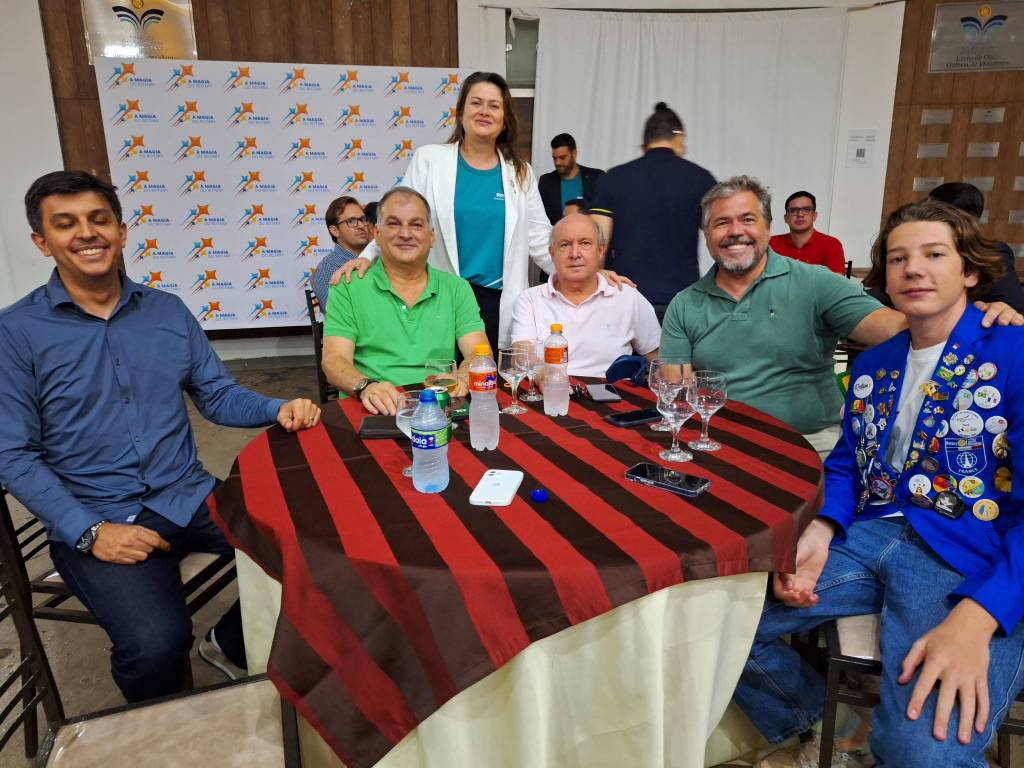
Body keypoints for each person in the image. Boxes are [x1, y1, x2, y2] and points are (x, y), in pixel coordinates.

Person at [0, 170, 320, 703]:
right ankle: (151, 726)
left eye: (99, 219)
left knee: (319, 556)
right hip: (98, 513)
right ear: (42, 242)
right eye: (66, 223)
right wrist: (90, 531)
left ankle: (229, 644)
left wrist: (277, 407)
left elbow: (217, 395)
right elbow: (13, 454)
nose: (87, 233)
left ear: (122, 231)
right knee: (155, 646)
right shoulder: (15, 333)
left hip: (189, 494)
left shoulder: (167, 311)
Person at [734, 199, 1024, 768]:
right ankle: (830, 725)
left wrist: (981, 613)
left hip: (970, 556)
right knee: (715, 628)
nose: (913, 268)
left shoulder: (1012, 352)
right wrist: (822, 527)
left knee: (919, 753)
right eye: (897, 258)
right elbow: (849, 461)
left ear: (969, 271)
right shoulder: (875, 363)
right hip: (869, 533)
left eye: (934, 254)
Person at [660, 176, 1023, 456]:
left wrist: (975, 317)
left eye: (747, 219)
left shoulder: (815, 283)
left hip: (808, 443)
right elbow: (677, 393)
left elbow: (899, 328)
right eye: (722, 223)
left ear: (768, 228)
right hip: (717, 440)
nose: (735, 231)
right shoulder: (685, 304)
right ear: (707, 234)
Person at [331, 71, 630, 354]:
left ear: (504, 118)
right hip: (439, 297)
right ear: (461, 112)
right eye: (476, 103)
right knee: (440, 379)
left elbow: (541, 239)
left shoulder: (520, 172)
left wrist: (589, 274)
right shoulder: (429, 160)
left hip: (497, 303)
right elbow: (398, 220)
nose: (484, 111)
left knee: (491, 384)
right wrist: (366, 257)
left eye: (494, 106)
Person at [321, 187, 489, 416]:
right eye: (393, 224)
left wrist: (462, 377)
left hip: (439, 407)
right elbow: (334, 360)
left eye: (416, 225)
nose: (405, 233)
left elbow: (480, 353)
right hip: (371, 409)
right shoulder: (348, 287)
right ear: (377, 234)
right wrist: (366, 386)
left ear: (431, 237)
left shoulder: (457, 288)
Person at [590, 102, 716, 320]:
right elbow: (722, 234)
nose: (685, 149)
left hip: (624, 296)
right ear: (679, 136)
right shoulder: (701, 179)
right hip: (684, 298)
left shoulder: (613, 178)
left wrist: (597, 276)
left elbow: (594, 239)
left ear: (645, 143)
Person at [510, 213, 659, 377]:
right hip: (549, 388)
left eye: (585, 243)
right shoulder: (530, 300)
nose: (575, 254)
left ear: (601, 250)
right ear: (552, 253)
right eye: (565, 245)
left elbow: (659, 358)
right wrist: (551, 381)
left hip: (612, 392)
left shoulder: (626, 296)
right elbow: (522, 355)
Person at [309, 195, 368, 311]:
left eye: (362, 219)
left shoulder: (378, 259)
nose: (361, 226)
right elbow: (337, 315)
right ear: (335, 231)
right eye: (351, 221)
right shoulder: (327, 269)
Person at [768, 190, 847, 275]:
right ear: (786, 218)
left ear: (814, 216)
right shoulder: (770, 243)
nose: (800, 215)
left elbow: (836, 282)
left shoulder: (832, 245)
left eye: (806, 209)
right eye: (793, 210)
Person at [537, 133, 605, 225]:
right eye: (554, 158)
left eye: (562, 158)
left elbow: (604, 214)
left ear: (574, 154)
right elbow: (540, 220)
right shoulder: (546, 182)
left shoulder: (596, 177)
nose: (557, 162)